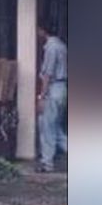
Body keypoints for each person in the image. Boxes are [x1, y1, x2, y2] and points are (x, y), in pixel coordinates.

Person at [36, 22, 67, 173]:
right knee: (56, 128)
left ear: (42, 30)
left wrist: (41, 96)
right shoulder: (61, 45)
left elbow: (48, 74)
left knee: (47, 127)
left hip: (53, 89)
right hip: (62, 88)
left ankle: (47, 163)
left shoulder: (51, 48)